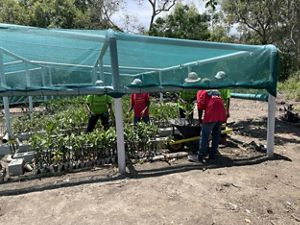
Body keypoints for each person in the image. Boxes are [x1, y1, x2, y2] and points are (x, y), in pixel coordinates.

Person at [188, 89, 227, 163]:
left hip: (211, 114)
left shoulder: (200, 91)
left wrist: (200, 119)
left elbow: (200, 107)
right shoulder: (216, 90)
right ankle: (213, 155)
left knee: (204, 135)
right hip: (221, 113)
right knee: (216, 134)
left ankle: (200, 156)